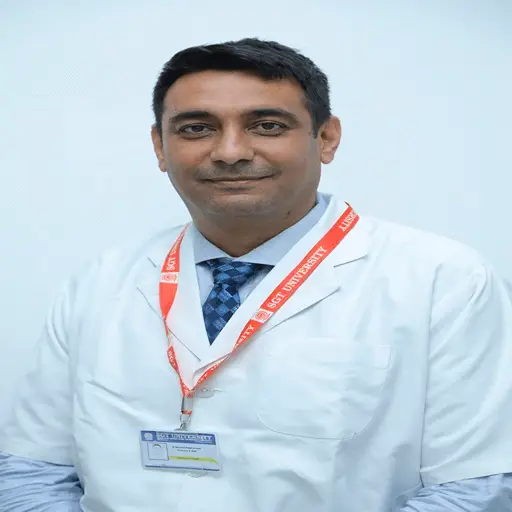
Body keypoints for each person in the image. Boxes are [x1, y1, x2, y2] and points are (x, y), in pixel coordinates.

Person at [0, 38, 511, 512]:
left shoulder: (443, 282)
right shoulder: (99, 283)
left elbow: (476, 488)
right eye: (196, 128)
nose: (230, 152)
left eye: (267, 126)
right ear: (159, 146)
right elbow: (32, 470)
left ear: (326, 138)